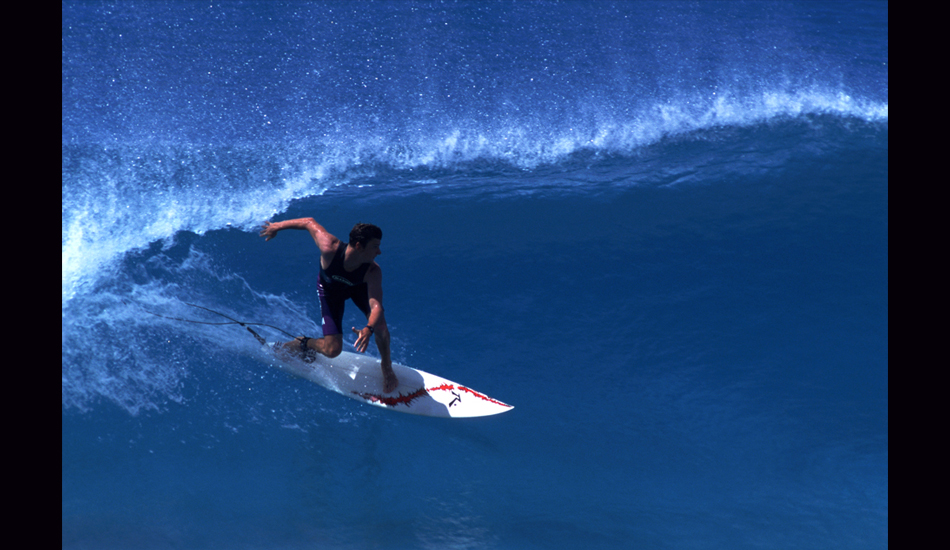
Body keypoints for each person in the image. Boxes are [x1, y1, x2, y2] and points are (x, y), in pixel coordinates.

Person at [260, 218, 398, 393]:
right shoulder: (329, 247)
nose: (379, 252)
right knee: (332, 350)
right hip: (330, 291)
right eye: (375, 246)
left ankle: (387, 367)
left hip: (357, 288)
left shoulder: (372, 271)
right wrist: (276, 226)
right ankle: (303, 342)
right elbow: (309, 222)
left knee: (381, 326)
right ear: (358, 246)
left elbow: (376, 306)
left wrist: (369, 328)